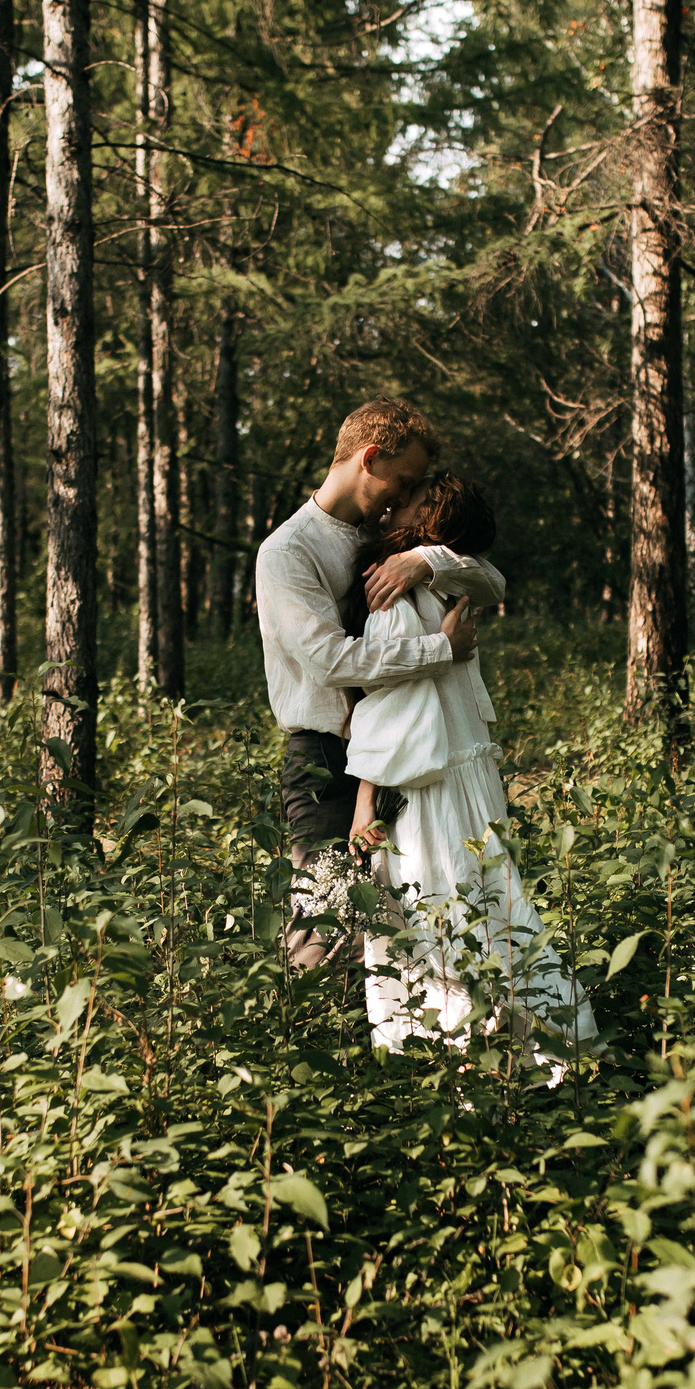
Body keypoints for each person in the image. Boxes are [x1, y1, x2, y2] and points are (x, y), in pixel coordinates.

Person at [340, 472, 597, 1057]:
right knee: (488, 911)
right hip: (464, 776)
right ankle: (532, 1053)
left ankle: (456, 1069)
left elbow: (387, 708)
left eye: (405, 499)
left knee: (433, 925)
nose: (389, 504)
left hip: (429, 786)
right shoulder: (451, 590)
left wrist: (363, 804)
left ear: (428, 518)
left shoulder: (398, 592)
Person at [254, 400, 506, 968]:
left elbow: (492, 579)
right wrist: (440, 650)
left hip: (402, 748)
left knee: (401, 913)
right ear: (370, 459)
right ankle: (309, 1040)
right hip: (325, 758)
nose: (403, 496)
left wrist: (428, 562)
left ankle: (393, 1049)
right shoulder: (288, 552)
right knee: (321, 919)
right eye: (404, 481)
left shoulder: (389, 534)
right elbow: (330, 661)